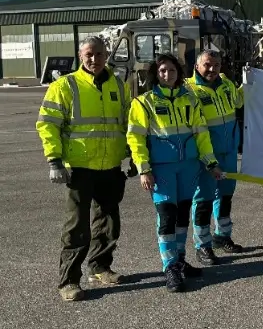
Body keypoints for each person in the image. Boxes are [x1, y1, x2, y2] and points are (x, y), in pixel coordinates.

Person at [36, 36, 132, 301]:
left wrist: (134, 155)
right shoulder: (65, 86)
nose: (94, 59)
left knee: (109, 221)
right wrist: (54, 160)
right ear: (81, 56)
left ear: (106, 55)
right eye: (89, 54)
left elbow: (129, 124)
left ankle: (101, 267)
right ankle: (69, 281)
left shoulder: (118, 85)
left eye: (99, 54)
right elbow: (48, 124)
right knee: (76, 226)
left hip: (111, 165)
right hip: (79, 168)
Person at [127, 54, 224, 293]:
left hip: (189, 167)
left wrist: (210, 163)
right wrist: (144, 169)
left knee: (182, 217)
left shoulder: (190, 100)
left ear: (178, 73)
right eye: (162, 71)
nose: (167, 75)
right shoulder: (143, 102)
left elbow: (202, 134)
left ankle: (180, 260)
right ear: (155, 74)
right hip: (162, 170)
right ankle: (169, 266)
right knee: (167, 217)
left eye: (171, 70)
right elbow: (136, 138)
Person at [186, 50, 246, 264]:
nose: (212, 70)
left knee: (226, 196)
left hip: (228, 152)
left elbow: (238, 102)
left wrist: (250, 81)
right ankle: (202, 246)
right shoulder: (188, 90)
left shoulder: (226, 84)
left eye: (216, 65)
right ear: (197, 66)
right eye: (207, 65)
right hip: (205, 155)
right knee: (203, 199)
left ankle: (222, 236)